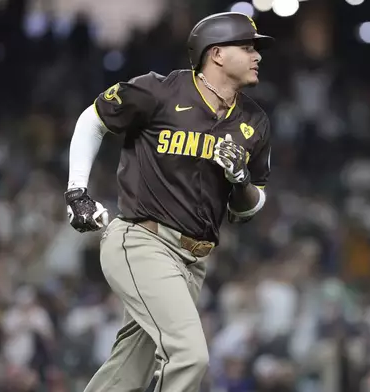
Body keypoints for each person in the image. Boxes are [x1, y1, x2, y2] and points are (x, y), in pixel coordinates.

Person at [64, 12, 274, 392]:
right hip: (142, 241)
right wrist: (77, 190)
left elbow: (251, 206)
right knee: (190, 355)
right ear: (217, 54)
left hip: (192, 261)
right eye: (247, 47)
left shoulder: (254, 121)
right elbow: (93, 119)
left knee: (128, 370)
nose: (257, 55)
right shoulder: (159, 91)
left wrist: (240, 180)